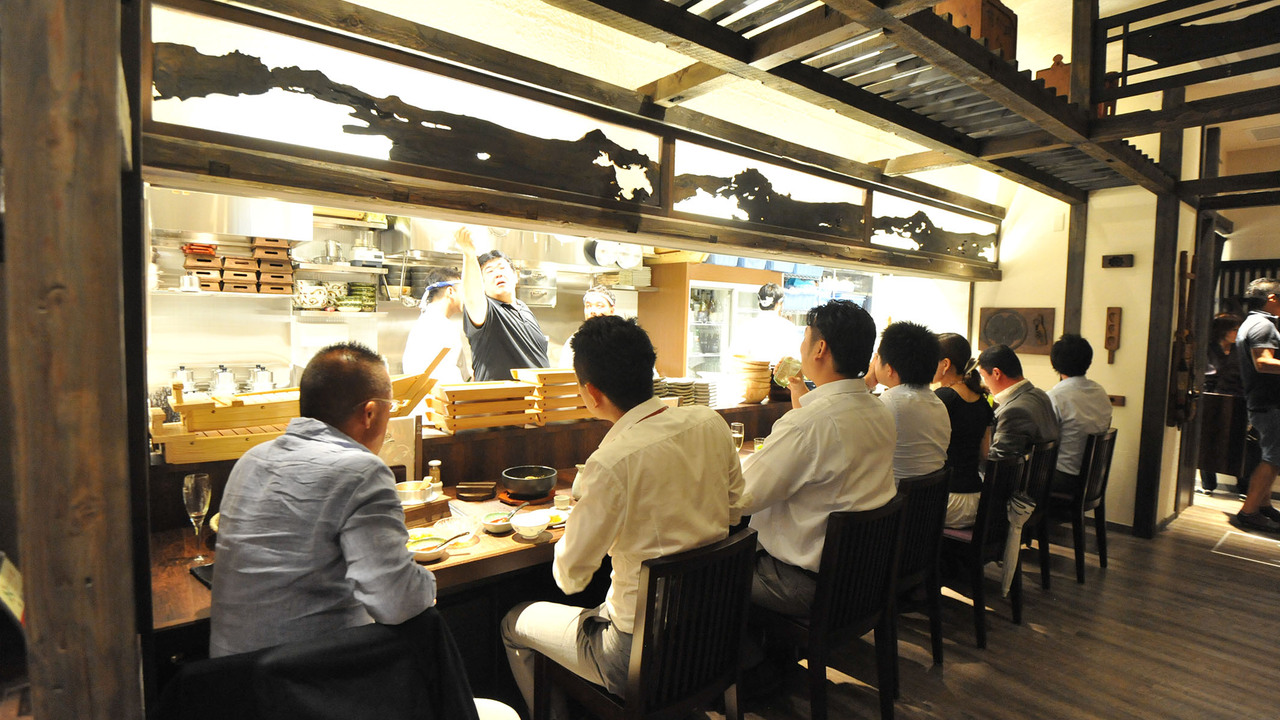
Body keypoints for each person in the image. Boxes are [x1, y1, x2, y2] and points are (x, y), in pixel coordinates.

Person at [501, 316, 745, 716]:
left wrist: (582, 513)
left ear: (591, 393)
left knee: (513, 623)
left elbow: (571, 577)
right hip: (711, 634)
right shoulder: (710, 423)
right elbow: (736, 506)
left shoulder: (612, 463)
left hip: (638, 656)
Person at [210, 342, 436, 658]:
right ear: (370, 413)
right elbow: (399, 602)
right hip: (313, 686)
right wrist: (427, 582)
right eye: (391, 409)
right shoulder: (361, 471)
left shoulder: (250, 459)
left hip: (231, 685)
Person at [740, 300, 897, 617]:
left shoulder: (808, 426)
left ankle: (754, 663)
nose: (801, 346)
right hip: (861, 577)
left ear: (820, 348)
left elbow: (740, 497)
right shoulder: (879, 411)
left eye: (805, 337)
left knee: (700, 578)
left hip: (803, 584)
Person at [455, 226, 550, 381]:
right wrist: (469, 254)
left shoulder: (525, 309)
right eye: (489, 271)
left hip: (539, 401)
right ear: (482, 283)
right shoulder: (487, 311)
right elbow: (472, 296)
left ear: (515, 276)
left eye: (502, 268)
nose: (498, 273)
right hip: (501, 402)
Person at [865, 321, 950, 482]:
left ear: (889, 369)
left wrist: (867, 381)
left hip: (894, 502)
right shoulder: (938, 403)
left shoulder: (890, 403)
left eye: (877, 358)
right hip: (927, 503)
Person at [1232, 279, 1280, 533]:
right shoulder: (1263, 325)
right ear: (1272, 299)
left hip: (1261, 400)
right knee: (1273, 458)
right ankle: (1249, 511)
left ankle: (1263, 505)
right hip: (1268, 402)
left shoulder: (1251, 323)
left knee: (1271, 456)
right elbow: (1263, 362)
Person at [933, 333, 994, 528]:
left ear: (945, 364)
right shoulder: (981, 400)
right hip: (977, 501)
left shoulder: (942, 399)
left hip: (948, 502)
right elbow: (985, 454)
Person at [1046, 334, 1112, 495]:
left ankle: (1025, 520)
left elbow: (1044, 439)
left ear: (1054, 363)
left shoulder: (1056, 397)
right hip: (1093, 477)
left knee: (1016, 475)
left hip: (1064, 478)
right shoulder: (1100, 392)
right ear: (1088, 361)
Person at [977, 344, 1059, 462]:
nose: (984, 383)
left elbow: (998, 463)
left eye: (983, 376)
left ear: (996, 373)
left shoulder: (1014, 411)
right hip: (1043, 475)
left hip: (1020, 478)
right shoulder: (1041, 395)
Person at [1199, 313, 1245, 494]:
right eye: (1235, 329)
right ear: (1223, 331)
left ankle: (1243, 484)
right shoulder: (1208, 349)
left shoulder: (1240, 349)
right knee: (1208, 440)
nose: (1238, 332)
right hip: (1211, 398)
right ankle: (1208, 484)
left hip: (1237, 397)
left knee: (1238, 442)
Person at [402, 267, 473, 384]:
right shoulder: (439, 326)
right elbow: (446, 378)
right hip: (439, 399)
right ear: (450, 291)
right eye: (463, 291)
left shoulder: (427, 321)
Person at [732, 282, 802, 364]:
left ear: (759, 302)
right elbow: (796, 362)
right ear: (779, 304)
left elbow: (736, 358)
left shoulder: (745, 326)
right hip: (779, 375)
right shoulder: (789, 328)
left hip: (752, 374)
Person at [560, 284, 616, 367]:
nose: (592, 311)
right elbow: (564, 372)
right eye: (588, 306)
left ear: (612, 310)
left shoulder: (619, 338)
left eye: (599, 305)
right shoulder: (575, 341)